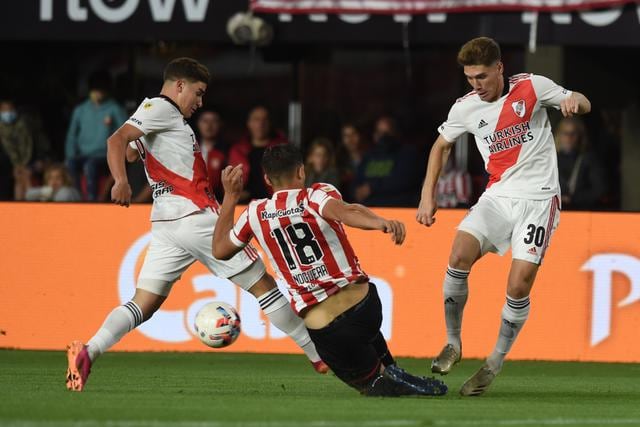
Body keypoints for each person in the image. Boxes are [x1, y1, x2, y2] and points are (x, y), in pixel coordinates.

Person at [65, 58, 327, 392]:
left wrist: (139, 147)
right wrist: (121, 182)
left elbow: (131, 150)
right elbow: (116, 141)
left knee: (143, 303)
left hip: (166, 224)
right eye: (198, 93)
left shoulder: (155, 115)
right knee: (263, 286)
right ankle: (317, 353)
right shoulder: (161, 108)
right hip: (195, 217)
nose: (200, 102)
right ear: (179, 86)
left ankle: (89, 351)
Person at [416, 37, 591, 396]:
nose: (475, 85)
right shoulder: (465, 108)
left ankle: (493, 362)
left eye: (481, 76)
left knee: (518, 285)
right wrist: (426, 196)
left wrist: (575, 101)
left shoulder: (532, 86)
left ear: (499, 68)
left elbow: (582, 101)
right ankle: (453, 342)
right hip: (498, 196)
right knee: (458, 253)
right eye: (469, 78)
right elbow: (441, 145)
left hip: (540, 200)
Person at [212, 144, 448, 397]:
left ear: (267, 179)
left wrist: (230, 196)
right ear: (302, 172)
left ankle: (389, 383)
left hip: (327, 329)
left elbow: (220, 250)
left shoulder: (254, 213)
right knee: (363, 331)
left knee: (371, 385)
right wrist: (380, 222)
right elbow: (346, 212)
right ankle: (394, 370)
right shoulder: (317, 195)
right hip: (366, 308)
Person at [65, 71, 127, 201]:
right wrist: (70, 154)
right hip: (83, 154)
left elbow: (125, 132)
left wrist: (120, 155)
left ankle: (91, 202)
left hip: (103, 156)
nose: (98, 94)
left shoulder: (114, 109)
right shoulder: (81, 110)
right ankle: (78, 198)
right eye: (95, 91)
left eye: (101, 91)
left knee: (90, 166)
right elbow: (72, 135)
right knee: (71, 164)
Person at [228, 106, 288, 202]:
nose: (260, 124)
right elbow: (229, 182)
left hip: (275, 203)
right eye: (256, 119)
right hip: (244, 205)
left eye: (265, 120)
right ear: (249, 123)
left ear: (270, 123)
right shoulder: (238, 150)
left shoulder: (283, 149)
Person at [555, 117, 607, 210]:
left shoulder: (589, 159)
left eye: (573, 134)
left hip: (582, 212)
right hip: (555, 212)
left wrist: (572, 199)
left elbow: (599, 190)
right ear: (559, 135)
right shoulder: (551, 159)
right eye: (565, 133)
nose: (568, 138)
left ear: (580, 136)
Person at [197, 109, 229, 199]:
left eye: (214, 121)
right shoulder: (189, 148)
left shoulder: (228, 151)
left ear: (220, 124)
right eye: (205, 121)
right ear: (198, 123)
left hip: (219, 201)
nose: (209, 126)